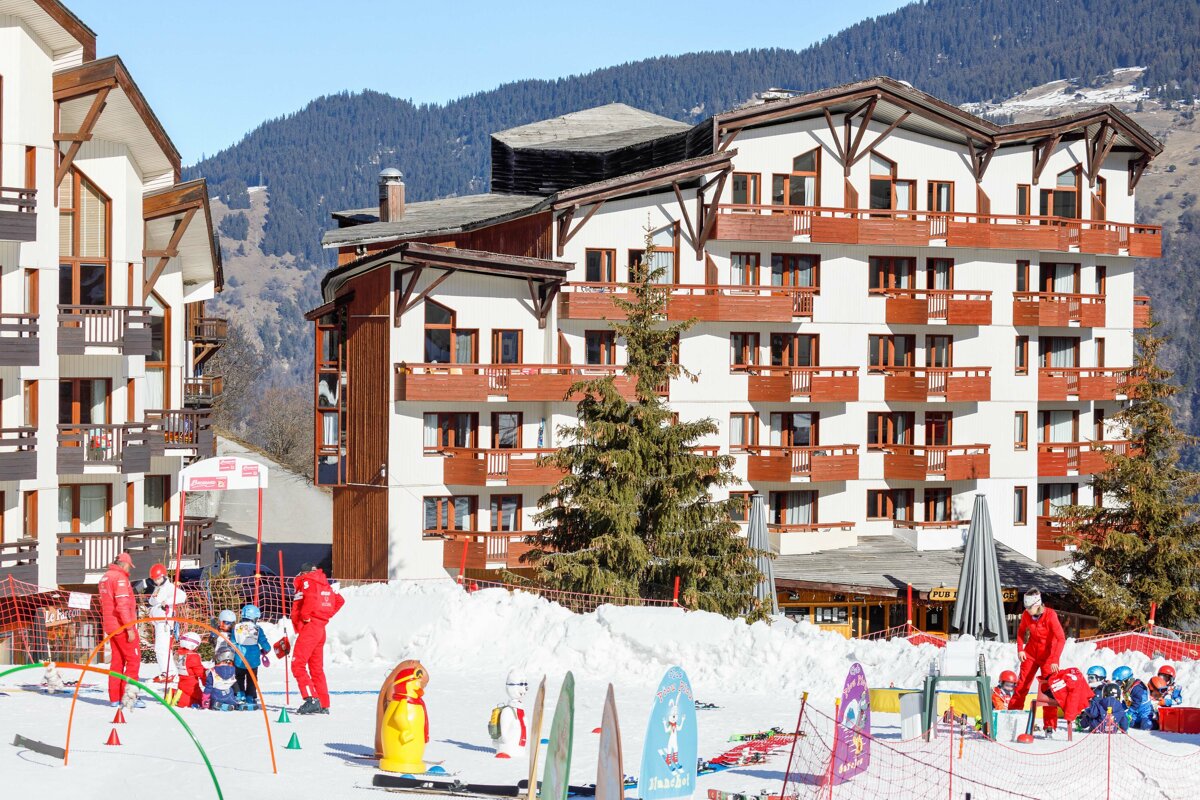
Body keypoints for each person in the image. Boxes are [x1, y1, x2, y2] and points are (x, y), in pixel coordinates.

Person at [1008, 588, 1065, 736]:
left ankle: (1049, 725)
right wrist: (1020, 649)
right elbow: (1021, 632)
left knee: (1048, 690)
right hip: (1031, 653)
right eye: (1025, 608)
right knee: (1022, 685)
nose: (1026, 610)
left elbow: (1061, 638)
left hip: (1048, 657)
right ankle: (1012, 716)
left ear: (1037, 604)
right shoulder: (1027, 615)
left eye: (1029, 607)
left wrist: (1055, 659)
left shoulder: (1051, 615)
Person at [291, 564, 345, 715]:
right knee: (316, 668)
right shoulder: (324, 583)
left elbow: (310, 599)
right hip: (320, 628)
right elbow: (339, 600)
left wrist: (307, 616)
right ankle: (323, 703)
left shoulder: (307, 582)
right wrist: (325, 616)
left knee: (297, 664)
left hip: (310, 628)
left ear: (304, 572)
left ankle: (311, 698)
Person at [98, 552, 145, 708]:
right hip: (122, 627)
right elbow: (122, 606)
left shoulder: (105, 577)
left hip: (111, 627)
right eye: (129, 567)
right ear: (124, 564)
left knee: (117, 662)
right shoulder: (120, 579)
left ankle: (115, 698)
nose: (129, 571)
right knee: (133, 660)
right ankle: (129, 698)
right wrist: (130, 628)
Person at [146, 563, 186, 682]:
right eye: (155, 579)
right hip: (159, 622)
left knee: (161, 648)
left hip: (165, 623)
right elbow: (153, 600)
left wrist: (167, 602)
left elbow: (182, 596)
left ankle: (168, 672)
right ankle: (170, 672)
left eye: (159, 579)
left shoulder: (169, 587)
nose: (157, 581)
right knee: (162, 648)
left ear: (164, 576)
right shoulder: (158, 588)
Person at [232, 604, 271, 706]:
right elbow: (263, 642)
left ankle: (240, 694)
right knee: (252, 678)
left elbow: (232, 642)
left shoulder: (236, 628)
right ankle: (250, 696)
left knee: (239, 677)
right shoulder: (257, 629)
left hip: (239, 659)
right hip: (253, 660)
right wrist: (266, 650)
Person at [1040, 667, 1093, 733]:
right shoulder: (1074, 678)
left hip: (1054, 686)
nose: (1090, 680)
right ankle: (1049, 727)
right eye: (1090, 677)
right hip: (1051, 686)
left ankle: (1050, 727)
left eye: (1092, 678)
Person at [1113, 666, 1156, 730]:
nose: (1119, 685)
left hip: (1145, 712)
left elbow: (1137, 702)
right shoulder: (1126, 689)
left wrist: (1129, 713)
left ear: (1127, 680)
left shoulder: (1137, 688)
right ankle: (1140, 722)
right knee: (1129, 723)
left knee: (1146, 726)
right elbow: (1127, 702)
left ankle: (1155, 723)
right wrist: (1119, 708)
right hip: (1136, 713)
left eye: (1119, 683)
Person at [172, 632, 207, 709]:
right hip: (192, 684)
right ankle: (179, 700)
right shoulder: (193, 657)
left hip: (181, 681)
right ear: (192, 645)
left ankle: (175, 694)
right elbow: (200, 672)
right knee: (201, 700)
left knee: (186, 693)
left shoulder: (178, 654)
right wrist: (207, 681)